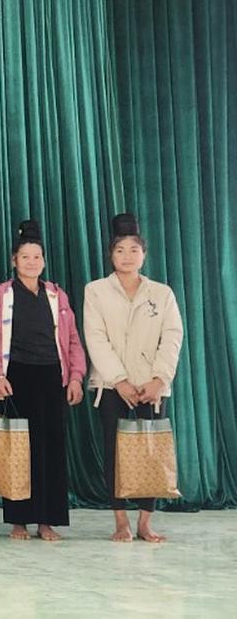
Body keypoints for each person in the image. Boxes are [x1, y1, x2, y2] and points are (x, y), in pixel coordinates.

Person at [0, 219, 86, 541]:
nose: (31, 262)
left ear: (44, 261)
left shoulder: (56, 295)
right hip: (16, 377)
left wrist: (76, 377)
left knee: (50, 449)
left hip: (52, 376)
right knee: (17, 450)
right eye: (24, 257)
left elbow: (72, 340)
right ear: (14, 261)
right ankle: (19, 520)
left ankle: (46, 520)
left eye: (36, 257)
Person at [84, 213, 184, 544]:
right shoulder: (96, 291)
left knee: (150, 452)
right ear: (111, 255)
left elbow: (172, 337)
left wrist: (159, 379)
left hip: (151, 387)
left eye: (134, 250)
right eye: (120, 250)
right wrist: (119, 380)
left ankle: (145, 522)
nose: (127, 256)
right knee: (115, 452)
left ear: (144, 254)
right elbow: (95, 337)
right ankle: (120, 522)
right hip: (111, 386)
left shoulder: (162, 293)